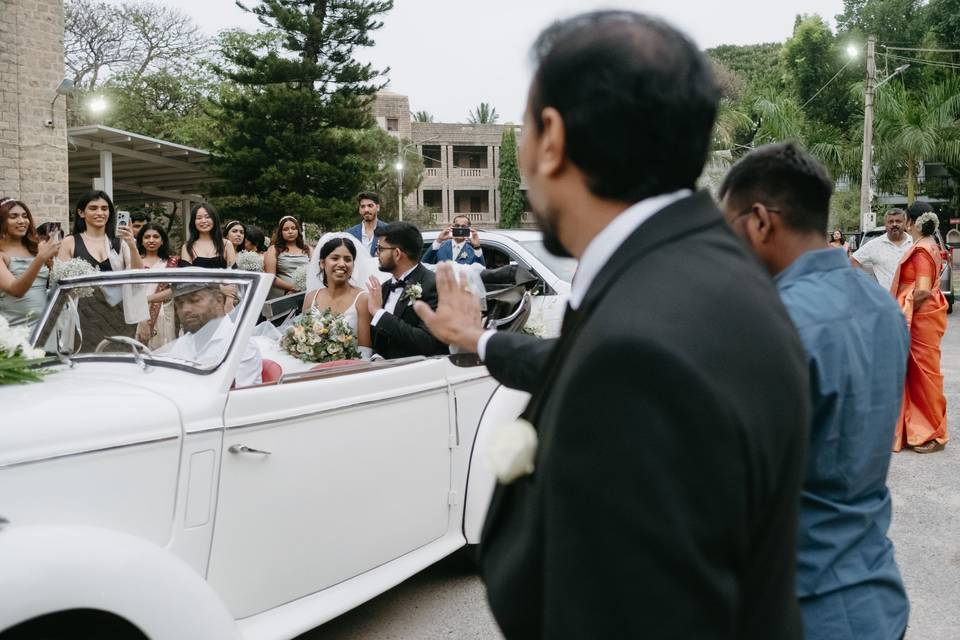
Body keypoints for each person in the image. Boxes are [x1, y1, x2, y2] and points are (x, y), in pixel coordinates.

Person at [415, 12, 810, 639]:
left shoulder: (639, 352)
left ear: (550, 138)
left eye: (521, 128)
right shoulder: (711, 274)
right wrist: (477, 339)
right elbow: (580, 364)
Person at [719, 142, 910, 640]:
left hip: (800, 607)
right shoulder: (881, 306)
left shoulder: (770, 322)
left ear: (760, 222)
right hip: (875, 594)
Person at [891, 201, 949, 453]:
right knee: (919, 375)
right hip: (924, 317)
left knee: (924, 377)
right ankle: (915, 428)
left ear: (911, 222)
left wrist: (903, 310)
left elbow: (923, 289)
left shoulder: (922, 250)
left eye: (905, 220)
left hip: (920, 319)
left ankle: (934, 434)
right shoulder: (930, 245)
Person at [365, 221, 446, 360]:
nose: (377, 253)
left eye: (380, 248)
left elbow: (427, 342)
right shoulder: (383, 288)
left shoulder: (435, 285)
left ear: (397, 253)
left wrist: (378, 313)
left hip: (419, 374)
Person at [160, 282, 262, 387]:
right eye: (179, 304)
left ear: (219, 300)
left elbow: (240, 400)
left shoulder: (240, 344)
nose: (185, 309)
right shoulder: (183, 343)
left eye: (195, 300)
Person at [302, 235, 373, 358]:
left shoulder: (363, 299)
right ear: (322, 263)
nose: (342, 264)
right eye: (335, 258)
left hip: (349, 369)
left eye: (347, 259)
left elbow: (365, 351)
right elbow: (301, 336)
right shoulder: (311, 297)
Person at [0, 199, 60, 327]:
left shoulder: (35, 247)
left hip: (46, 325)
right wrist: (40, 259)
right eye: (13, 216)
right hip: (17, 329)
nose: (22, 221)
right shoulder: (2, 254)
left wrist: (52, 265)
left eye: (25, 216)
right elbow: (16, 290)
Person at [59, 190, 143, 272]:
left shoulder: (120, 241)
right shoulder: (70, 242)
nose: (99, 213)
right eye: (93, 208)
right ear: (81, 213)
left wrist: (132, 246)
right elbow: (60, 277)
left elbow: (138, 275)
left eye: (104, 209)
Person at [136, 223, 179, 349]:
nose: (151, 240)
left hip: (165, 316)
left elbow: (174, 290)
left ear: (162, 241)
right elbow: (132, 292)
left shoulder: (171, 263)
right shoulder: (135, 262)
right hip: (139, 315)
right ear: (141, 241)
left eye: (156, 237)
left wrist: (147, 299)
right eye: (147, 237)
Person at [851, 209, 912, 290]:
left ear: (905, 223)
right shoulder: (874, 244)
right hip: (886, 299)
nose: (894, 224)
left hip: (910, 299)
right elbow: (852, 261)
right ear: (885, 224)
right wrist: (865, 283)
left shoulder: (914, 242)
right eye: (890, 222)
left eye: (898, 221)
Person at [265, 215, 311, 299]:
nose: (290, 231)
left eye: (293, 228)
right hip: (283, 294)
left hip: (307, 292)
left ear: (298, 230)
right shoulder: (273, 249)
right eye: (286, 229)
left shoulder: (308, 249)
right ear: (280, 232)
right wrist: (293, 288)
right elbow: (270, 276)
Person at [179, 202, 236, 269]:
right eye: (199, 218)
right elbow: (187, 276)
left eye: (207, 217)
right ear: (193, 222)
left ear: (214, 219)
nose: (203, 221)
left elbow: (233, 274)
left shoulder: (226, 244)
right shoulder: (187, 247)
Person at [346, 192, 387, 257]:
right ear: (359, 210)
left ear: (378, 207)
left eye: (370, 206)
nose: (366, 210)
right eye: (363, 206)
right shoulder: (350, 234)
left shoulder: (388, 231)